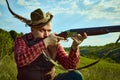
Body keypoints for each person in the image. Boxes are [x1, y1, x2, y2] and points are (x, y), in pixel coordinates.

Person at [13, 8, 87, 80]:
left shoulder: (54, 42)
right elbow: (20, 60)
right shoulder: (21, 40)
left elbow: (70, 66)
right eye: (42, 30)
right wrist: (46, 42)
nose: (46, 35)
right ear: (32, 29)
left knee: (75, 75)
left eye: (49, 31)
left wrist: (74, 47)